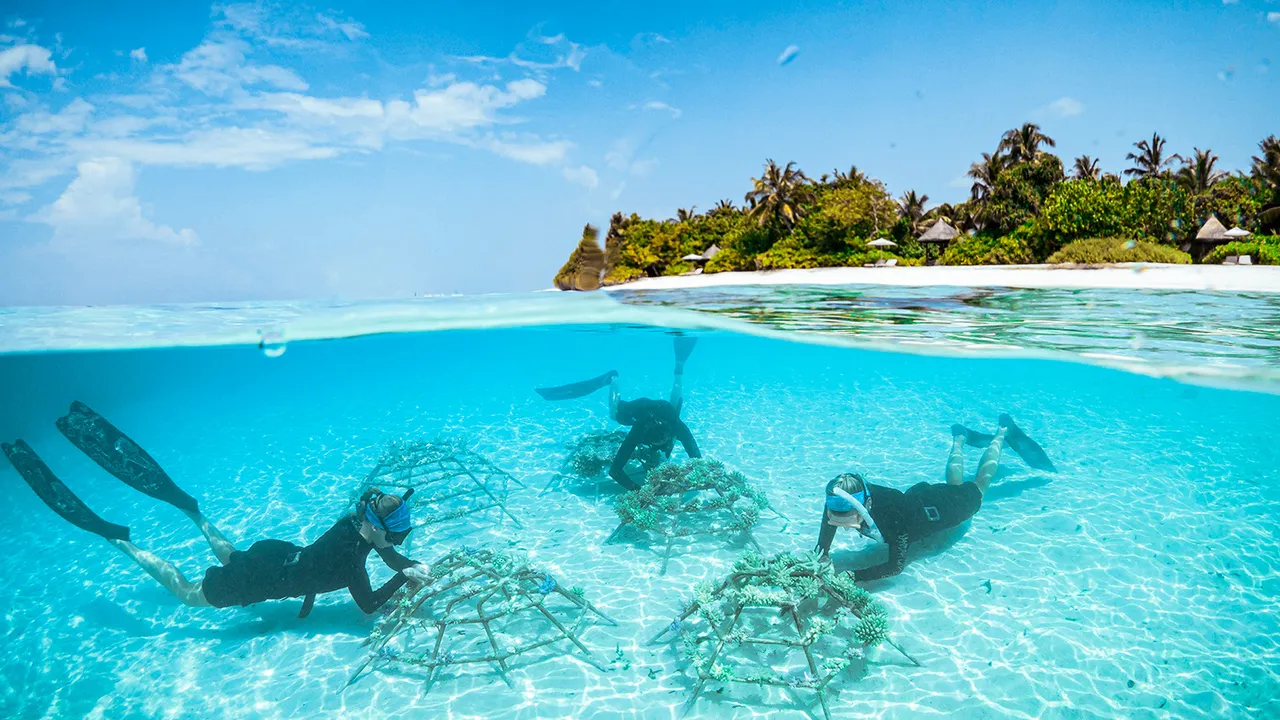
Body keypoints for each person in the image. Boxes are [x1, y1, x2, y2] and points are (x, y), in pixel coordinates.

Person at [2, 401, 429, 617]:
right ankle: (122, 541)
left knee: (233, 556)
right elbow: (369, 605)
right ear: (374, 526)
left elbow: (386, 552)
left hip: (274, 555)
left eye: (402, 535)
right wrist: (403, 578)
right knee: (187, 594)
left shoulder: (351, 526)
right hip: (263, 576)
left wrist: (406, 563)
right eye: (397, 534)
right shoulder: (351, 561)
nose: (398, 542)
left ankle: (193, 512)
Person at [815, 414, 1055, 582]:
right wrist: (823, 553)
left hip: (942, 511)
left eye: (848, 521)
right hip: (919, 496)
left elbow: (895, 567)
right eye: (837, 518)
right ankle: (960, 438)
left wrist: (853, 576)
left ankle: (1003, 432)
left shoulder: (893, 522)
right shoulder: (846, 498)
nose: (843, 527)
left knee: (979, 484)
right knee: (954, 485)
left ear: (866, 505)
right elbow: (829, 521)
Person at [535, 336, 701, 490]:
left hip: (666, 411)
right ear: (647, 437)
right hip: (638, 409)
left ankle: (679, 367)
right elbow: (614, 471)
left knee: (674, 408)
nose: (661, 447)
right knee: (615, 415)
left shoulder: (677, 427)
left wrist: (694, 478)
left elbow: (697, 458)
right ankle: (612, 379)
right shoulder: (638, 429)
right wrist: (640, 491)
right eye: (657, 445)